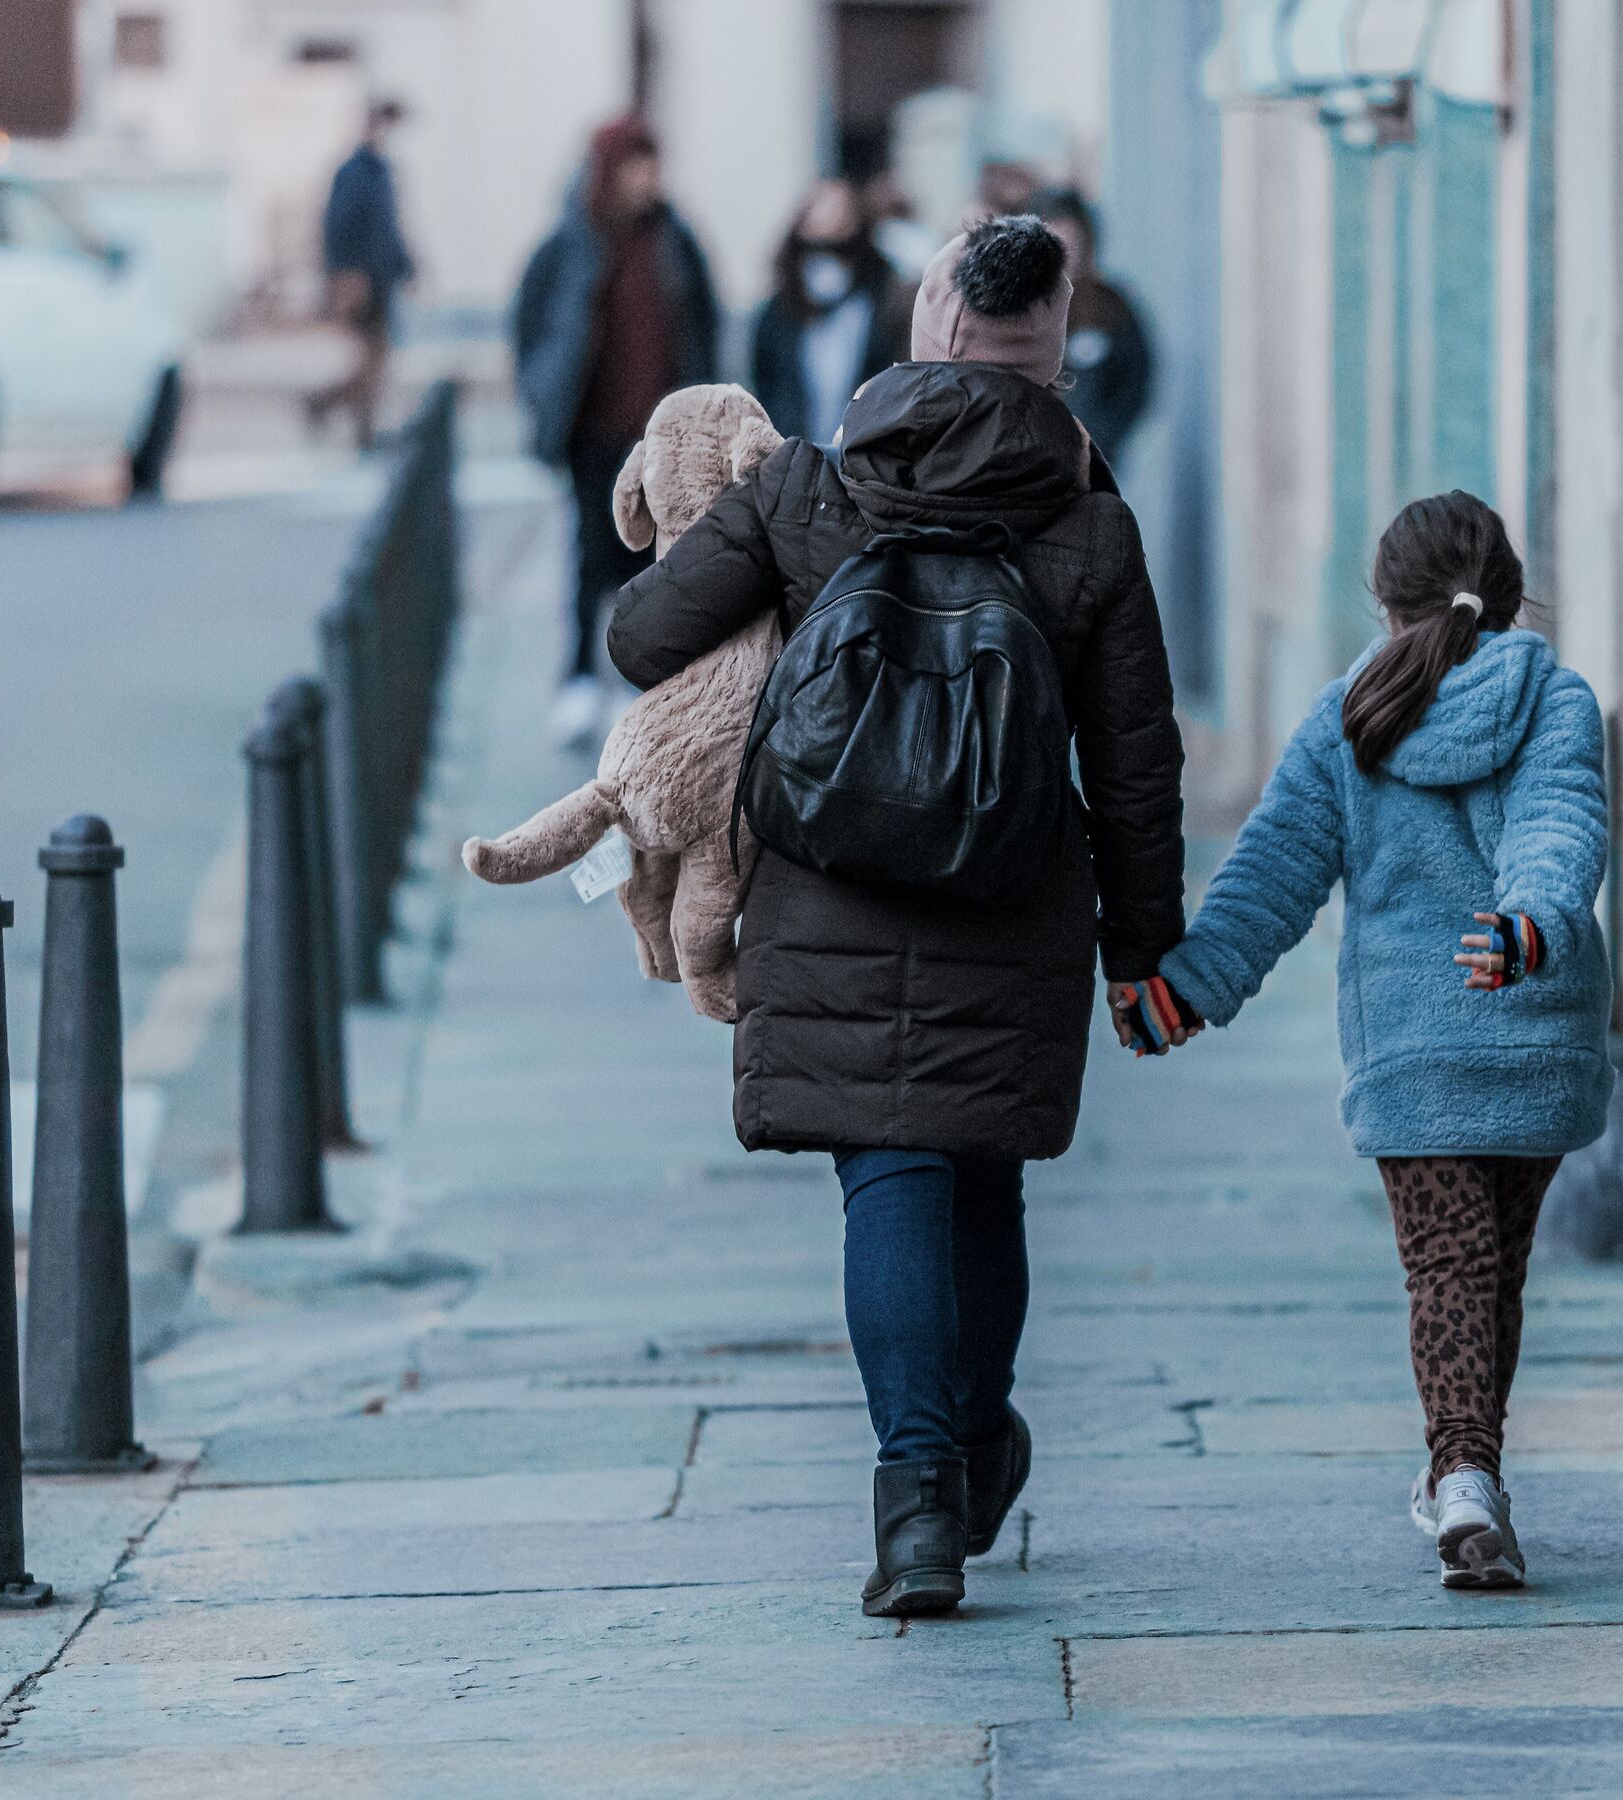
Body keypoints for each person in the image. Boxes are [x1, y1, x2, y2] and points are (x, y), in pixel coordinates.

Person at [607, 217, 1187, 1616]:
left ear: (931, 319)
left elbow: (639, 637)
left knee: (891, 1175)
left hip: (831, 894)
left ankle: (917, 1499)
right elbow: (1133, 758)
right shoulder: (1092, 520)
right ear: (1051, 346)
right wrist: (1144, 955)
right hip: (1015, 896)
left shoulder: (807, 489)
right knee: (981, 1173)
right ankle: (975, 1444)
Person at [1143, 490, 1612, 1591]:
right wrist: (1527, 928)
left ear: (1385, 600)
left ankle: (1461, 1472)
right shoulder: (1558, 696)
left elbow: (1269, 878)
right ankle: (1469, 1477)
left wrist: (1186, 994)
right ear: (1507, 587)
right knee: (1492, 1270)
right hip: (1533, 1029)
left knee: (1448, 1265)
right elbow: (1563, 823)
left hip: (1414, 1050)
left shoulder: (1346, 716)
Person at [513, 117, 720, 747]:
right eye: (636, 164)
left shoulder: (675, 241)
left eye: (652, 163)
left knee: (655, 557)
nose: (648, 178)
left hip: (660, 435)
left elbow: (703, 325)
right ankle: (578, 678)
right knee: (591, 553)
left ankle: (641, 678)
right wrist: (544, 400)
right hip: (592, 429)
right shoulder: (570, 244)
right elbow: (530, 327)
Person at [748, 180, 915, 446]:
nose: (833, 218)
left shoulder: (882, 300)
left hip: (865, 452)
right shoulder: (778, 310)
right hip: (793, 452)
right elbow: (766, 385)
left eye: (843, 212)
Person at [306, 99, 415, 453]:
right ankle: (332, 411)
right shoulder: (356, 173)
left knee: (375, 358)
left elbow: (389, 230)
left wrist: (407, 267)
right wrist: (346, 275)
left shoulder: (380, 172)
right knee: (372, 358)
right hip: (363, 282)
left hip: (381, 279)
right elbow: (340, 228)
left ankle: (357, 425)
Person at [1034, 189, 1154, 475]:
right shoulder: (1024, 305)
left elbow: (1137, 376)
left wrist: (1105, 434)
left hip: (1093, 463)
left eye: (1074, 240)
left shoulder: (1110, 305)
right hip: (1032, 465)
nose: (1067, 252)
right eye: (1058, 241)